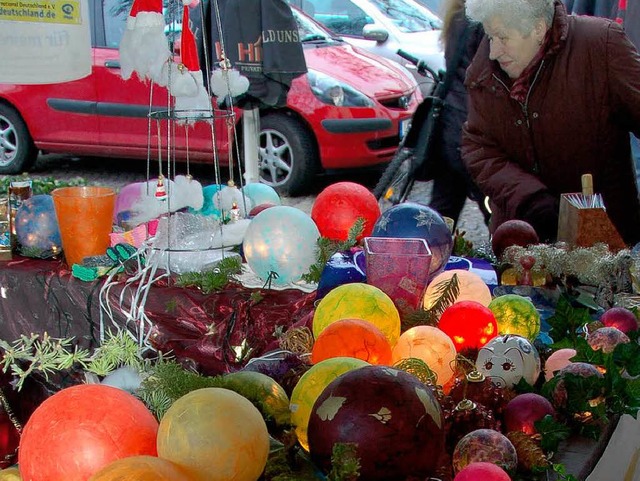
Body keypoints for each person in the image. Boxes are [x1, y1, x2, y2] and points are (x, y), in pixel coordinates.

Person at [461, 0, 640, 245]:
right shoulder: (483, 71)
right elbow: (478, 148)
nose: (493, 51)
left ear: (538, 29)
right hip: (523, 241)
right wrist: (529, 198)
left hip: (604, 242)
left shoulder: (600, 45)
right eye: (490, 37)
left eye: (503, 38)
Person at [428, 0, 490, 228]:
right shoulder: (481, 20)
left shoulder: (456, 15)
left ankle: (429, 259)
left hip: (449, 123)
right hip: (471, 125)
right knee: (496, 211)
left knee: (441, 213)